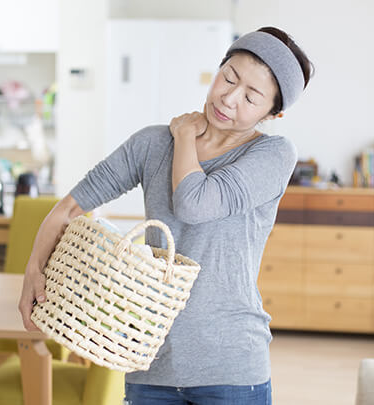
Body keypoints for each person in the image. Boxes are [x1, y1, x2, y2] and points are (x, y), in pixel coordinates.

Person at [19, 26, 314, 404]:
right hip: (150, 363)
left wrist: (186, 136)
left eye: (251, 97)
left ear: (273, 114)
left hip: (230, 369)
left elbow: (194, 203)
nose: (229, 98)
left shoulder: (273, 155)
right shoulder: (152, 143)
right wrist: (33, 268)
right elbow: (71, 207)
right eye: (228, 77)